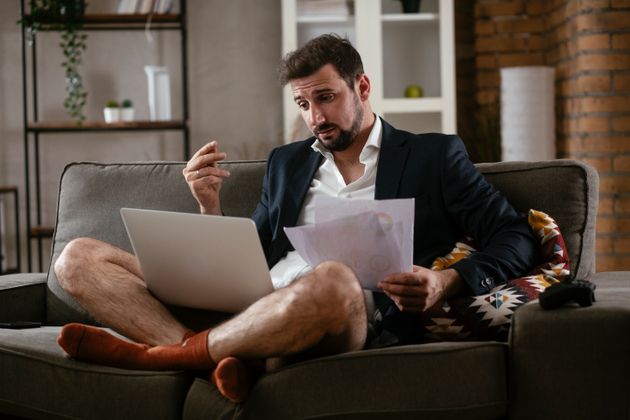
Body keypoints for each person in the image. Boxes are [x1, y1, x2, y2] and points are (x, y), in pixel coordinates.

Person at [54, 34, 538, 403]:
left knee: (333, 276)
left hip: (345, 312)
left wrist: (447, 280)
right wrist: (209, 207)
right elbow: (254, 256)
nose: (315, 116)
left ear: (361, 86)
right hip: (257, 303)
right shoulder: (288, 162)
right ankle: (213, 357)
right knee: (77, 258)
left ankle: (166, 356)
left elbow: (516, 236)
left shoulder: (434, 156)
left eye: (325, 97)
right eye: (304, 104)